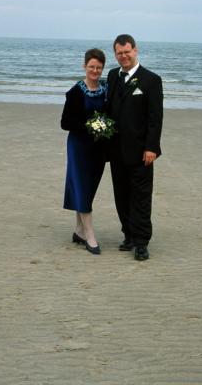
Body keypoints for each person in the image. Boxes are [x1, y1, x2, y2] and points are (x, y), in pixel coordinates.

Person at [106, 34, 163, 261]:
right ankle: (128, 235)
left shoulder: (151, 80)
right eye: (119, 53)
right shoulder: (112, 76)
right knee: (121, 195)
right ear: (115, 54)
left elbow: (155, 118)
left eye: (127, 52)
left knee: (140, 197)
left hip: (141, 152)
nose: (124, 56)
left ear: (135, 50)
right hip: (116, 150)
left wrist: (151, 147)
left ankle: (141, 242)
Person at [61, 48, 107, 255]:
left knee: (89, 189)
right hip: (79, 148)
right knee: (82, 188)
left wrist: (104, 126)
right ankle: (90, 235)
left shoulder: (106, 89)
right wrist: (90, 126)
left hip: (98, 149)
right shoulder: (75, 92)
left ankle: (79, 231)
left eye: (98, 67)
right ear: (84, 66)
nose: (95, 71)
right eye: (91, 67)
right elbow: (65, 123)